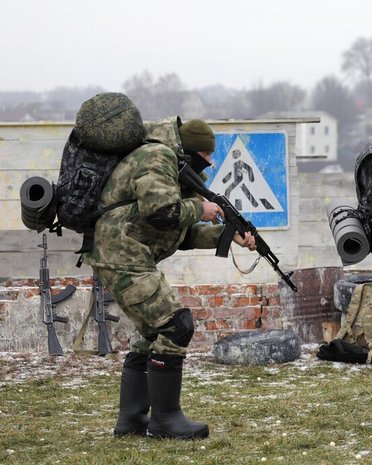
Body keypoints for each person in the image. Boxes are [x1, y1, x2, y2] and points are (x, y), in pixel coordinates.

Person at [84, 117, 257, 440]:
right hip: (123, 254)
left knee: (154, 331)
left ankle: (132, 420)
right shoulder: (158, 156)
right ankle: (165, 420)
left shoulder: (170, 163)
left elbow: (180, 233)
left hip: (125, 254)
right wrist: (199, 207)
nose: (210, 162)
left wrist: (228, 234)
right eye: (207, 155)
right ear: (191, 150)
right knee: (176, 324)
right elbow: (161, 212)